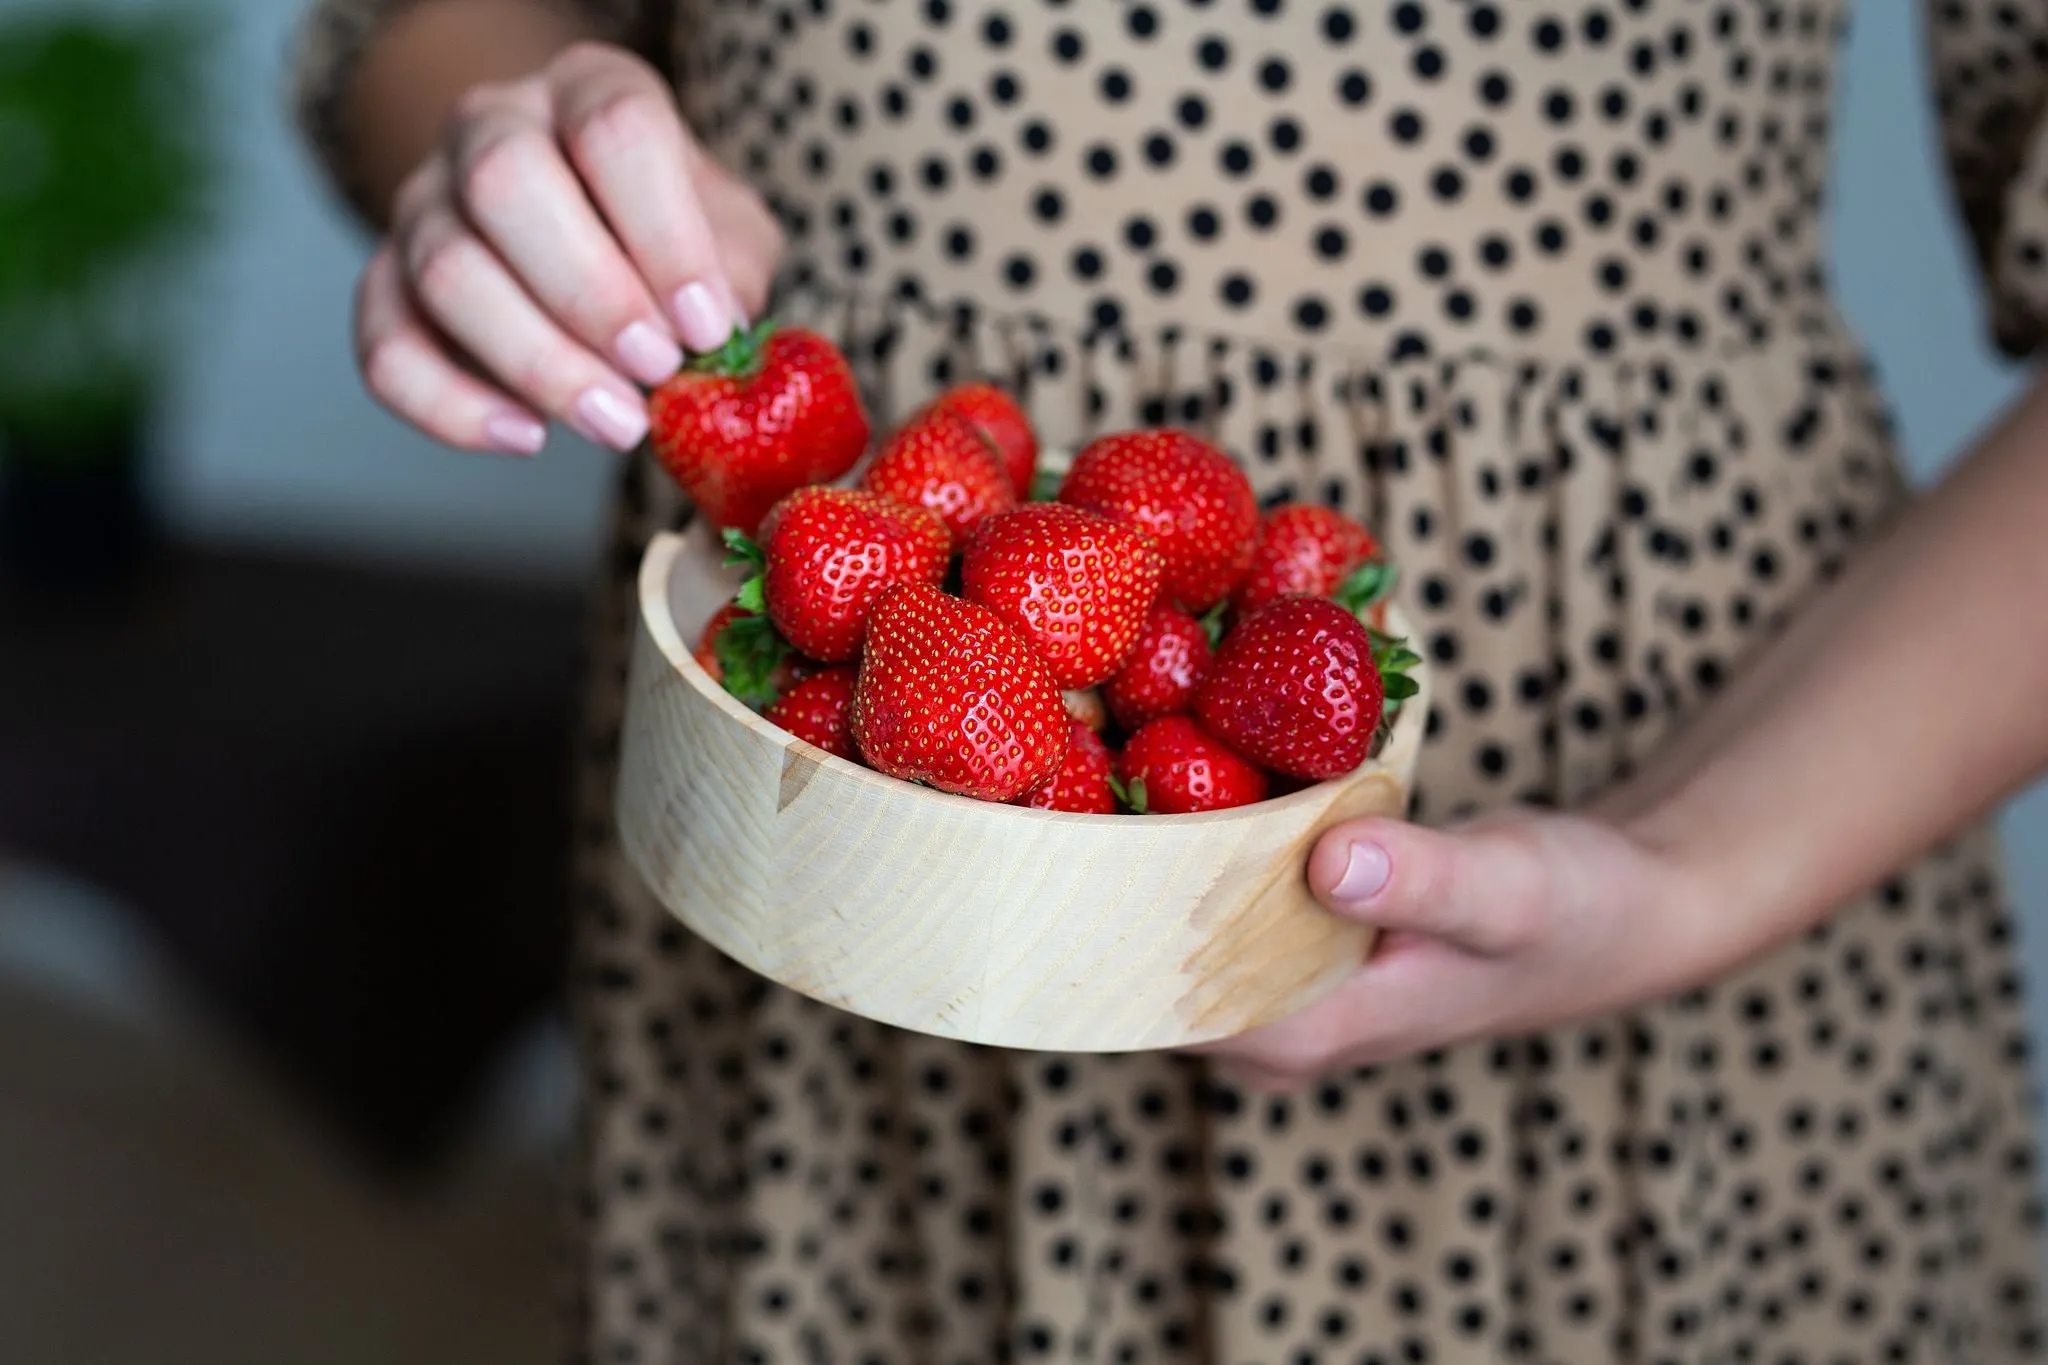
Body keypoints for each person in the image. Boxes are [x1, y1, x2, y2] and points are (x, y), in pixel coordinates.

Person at [292, 2, 2047, 1359]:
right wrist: (528, 173)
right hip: (827, 776)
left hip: (1703, 790)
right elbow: (421, 20)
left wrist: (1692, 863)